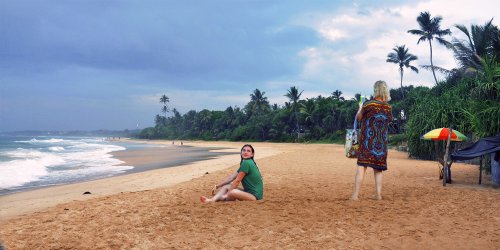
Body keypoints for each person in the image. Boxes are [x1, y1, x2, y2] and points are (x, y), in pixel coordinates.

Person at [351, 80, 393, 200]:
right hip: (381, 144)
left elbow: (359, 118)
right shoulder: (388, 107)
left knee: (361, 167)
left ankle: (355, 195)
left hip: (367, 141)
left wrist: (360, 108)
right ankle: (378, 195)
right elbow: (389, 120)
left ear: (375, 90)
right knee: (378, 169)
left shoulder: (368, 104)